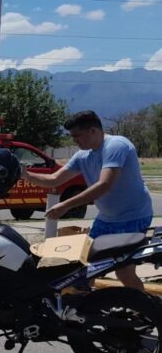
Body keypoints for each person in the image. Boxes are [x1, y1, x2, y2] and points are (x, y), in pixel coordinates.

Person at [22, 110, 153, 291]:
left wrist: (65, 205)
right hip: (106, 219)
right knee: (83, 267)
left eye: (78, 136)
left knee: (124, 272)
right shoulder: (83, 155)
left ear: (93, 131)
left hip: (133, 217)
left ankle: (147, 311)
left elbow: (104, 185)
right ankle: (87, 310)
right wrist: (25, 175)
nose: (75, 141)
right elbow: (54, 180)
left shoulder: (116, 146)